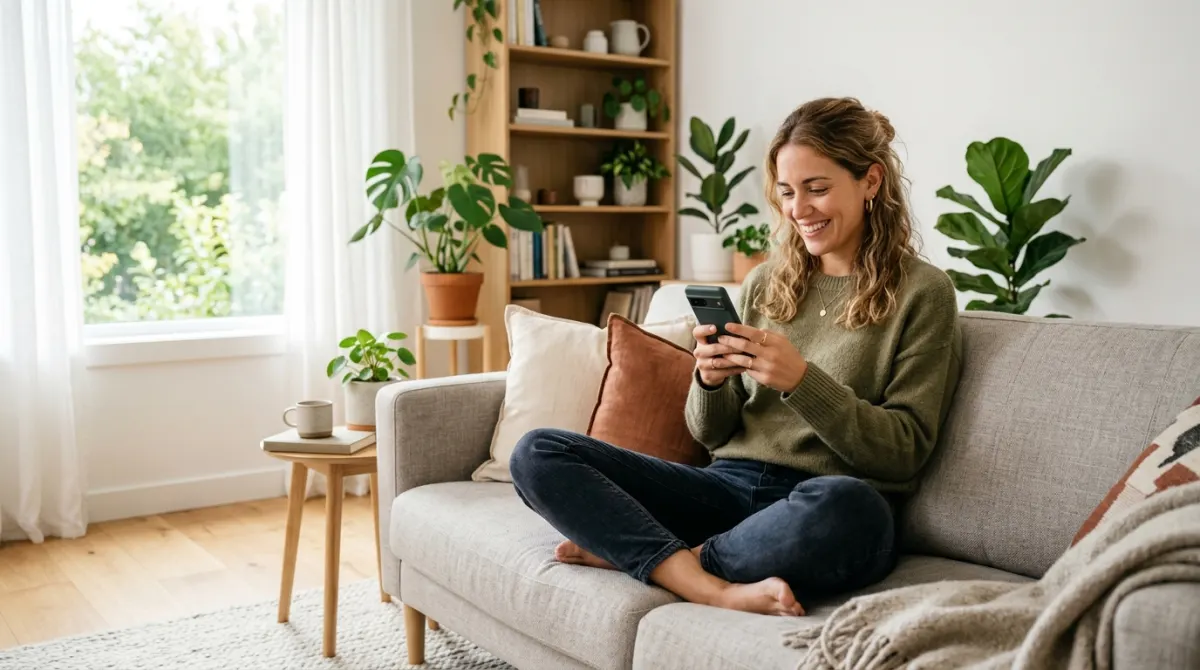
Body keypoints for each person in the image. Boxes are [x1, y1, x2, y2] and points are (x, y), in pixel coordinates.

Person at [509, 97, 962, 617]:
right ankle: (708, 583)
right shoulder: (767, 282)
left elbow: (905, 451)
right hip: (724, 489)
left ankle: (652, 555)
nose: (799, 210)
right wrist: (707, 379)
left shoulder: (924, 293)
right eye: (788, 193)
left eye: (817, 189)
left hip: (820, 504)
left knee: (853, 509)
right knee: (538, 452)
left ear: (871, 181)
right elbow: (712, 435)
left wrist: (802, 382)